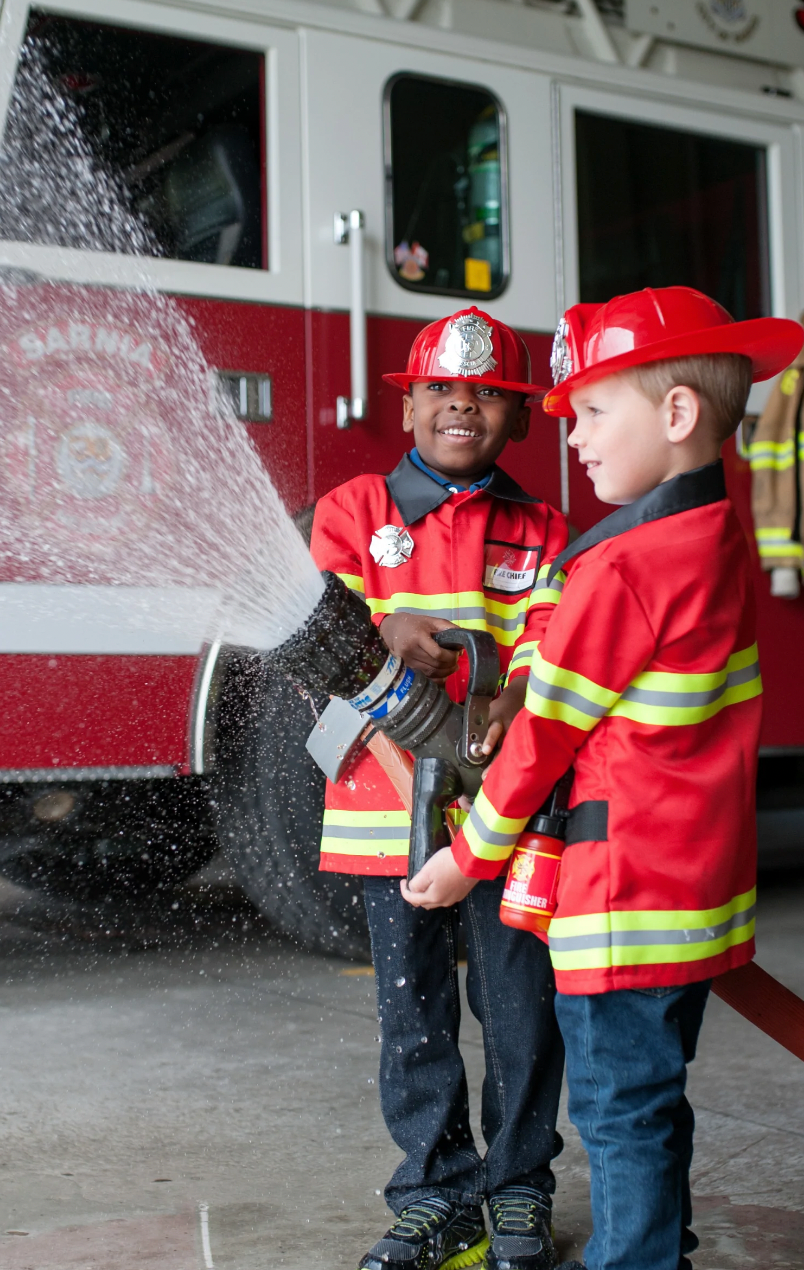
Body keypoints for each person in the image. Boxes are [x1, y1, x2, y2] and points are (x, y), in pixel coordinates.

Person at [402, 288, 804, 1270]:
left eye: (589, 413)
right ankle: (653, 1236)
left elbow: (541, 738)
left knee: (618, 1105)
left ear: (676, 416)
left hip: (623, 901)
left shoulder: (624, 566)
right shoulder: (712, 542)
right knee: (652, 1094)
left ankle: (635, 1257)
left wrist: (468, 856)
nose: (572, 437)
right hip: (694, 889)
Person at [310, 306, 569, 1270]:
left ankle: (517, 1187)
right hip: (384, 813)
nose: (464, 405)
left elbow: (553, 643)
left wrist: (516, 696)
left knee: (517, 1010)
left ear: (522, 417)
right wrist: (386, 626)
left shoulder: (545, 531)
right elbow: (312, 632)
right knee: (412, 1013)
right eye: (444, 390)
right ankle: (434, 1191)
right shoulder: (353, 513)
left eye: (491, 394)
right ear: (409, 403)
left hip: (505, 815)